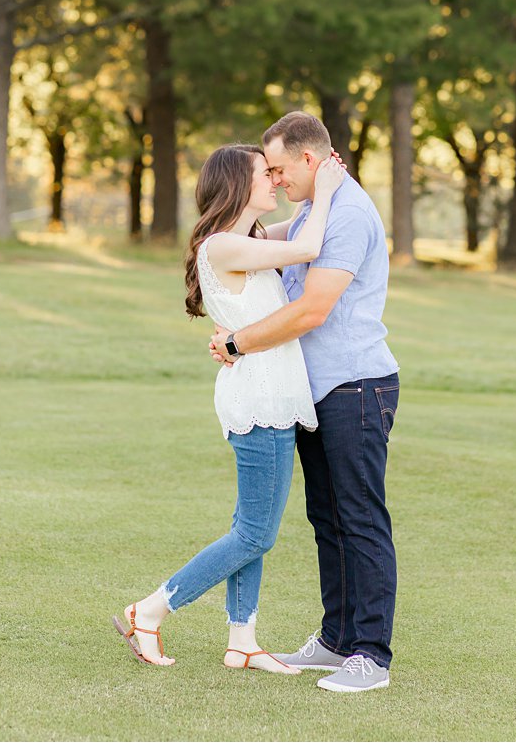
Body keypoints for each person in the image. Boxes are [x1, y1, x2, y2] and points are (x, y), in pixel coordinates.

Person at [114, 144, 344, 672]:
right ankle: (148, 611)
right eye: (266, 174)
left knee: (250, 524)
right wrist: (326, 189)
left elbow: (299, 230)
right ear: (238, 185)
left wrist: (320, 188)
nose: (276, 181)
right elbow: (310, 244)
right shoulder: (222, 246)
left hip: (270, 397)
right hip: (259, 401)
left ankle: (242, 640)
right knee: (256, 533)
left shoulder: (247, 241)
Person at [206, 111, 400, 695]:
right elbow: (274, 244)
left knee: (360, 518)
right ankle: (337, 639)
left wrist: (238, 342)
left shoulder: (347, 214)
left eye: (280, 167)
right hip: (317, 392)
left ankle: (371, 654)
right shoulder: (318, 211)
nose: (275, 176)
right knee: (328, 518)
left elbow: (313, 309)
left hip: (356, 387)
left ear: (309, 161)